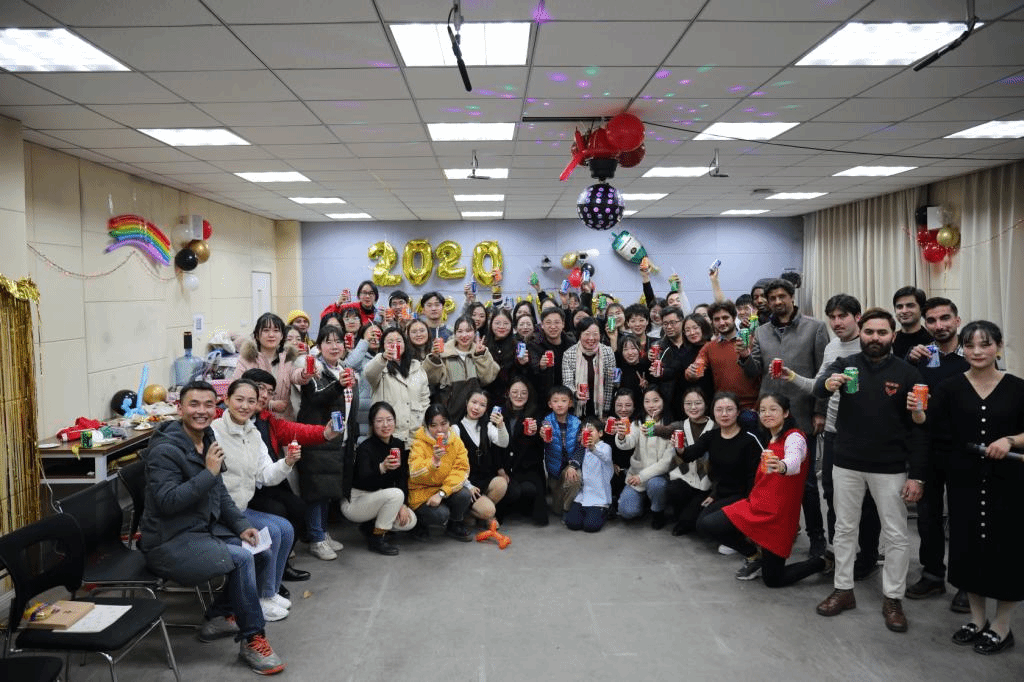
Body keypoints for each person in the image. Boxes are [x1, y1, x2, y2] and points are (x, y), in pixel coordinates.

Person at [139, 381, 285, 675]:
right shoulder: (165, 451)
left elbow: (219, 492)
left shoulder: (206, 438)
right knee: (242, 558)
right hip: (169, 541)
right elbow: (168, 502)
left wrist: (242, 526)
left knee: (260, 551)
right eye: (194, 404)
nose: (201, 411)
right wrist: (208, 472)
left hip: (201, 530)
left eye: (208, 404)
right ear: (180, 408)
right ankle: (252, 639)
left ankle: (219, 617)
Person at [813, 308, 927, 634]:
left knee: (896, 535)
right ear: (860, 333)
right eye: (869, 332)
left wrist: (917, 475)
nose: (875, 338)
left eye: (882, 332)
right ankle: (843, 589)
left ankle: (893, 598)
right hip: (847, 463)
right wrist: (829, 383)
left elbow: (920, 429)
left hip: (890, 467)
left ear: (893, 336)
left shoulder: (908, 373)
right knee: (844, 529)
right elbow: (820, 388)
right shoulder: (845, 364)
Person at [928, 321, 1024, 655]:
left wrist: (1010, 440)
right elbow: (935, 431)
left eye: (985, 344)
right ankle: (977, 619)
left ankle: (1002, 626)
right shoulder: (949, 388)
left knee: (1007, 552)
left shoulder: (1017, 387)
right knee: (967, 548)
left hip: (1009, 483)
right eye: (969, 345)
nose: (977, 351)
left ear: (999, 346)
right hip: (964, 480)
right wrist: (917, 414)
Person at [786, 294, 880, 580]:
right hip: (833, 432)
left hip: (864, 436)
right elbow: (819, 387)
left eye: (843, 316)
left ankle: (867, 555)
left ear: (857, 317)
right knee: (831, 493)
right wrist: (793, 377)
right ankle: (837, 550)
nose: (837, 322)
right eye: (833, 317)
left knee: (865, 500)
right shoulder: (831, 347)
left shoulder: (870, 347)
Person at [738, 277, 829, 557]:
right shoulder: (762, 331)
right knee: (771, 478)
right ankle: (776, 531)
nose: (777, 302)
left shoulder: (815, 328)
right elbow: (754, 371)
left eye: (782, 296)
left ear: (791, 297)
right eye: (772, 298)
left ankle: (816, 538)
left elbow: (823, 373)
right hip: (770, 416)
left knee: (807, 483)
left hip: (802, 412)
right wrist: (744, 356)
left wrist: (819, 411)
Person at [698, 393, 830, 585]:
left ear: (786, 413)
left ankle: (822, 562)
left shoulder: (795, 437)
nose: (767, 414)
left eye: (773, 409)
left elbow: (794, 461)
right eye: (762, 410)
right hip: (757, 505)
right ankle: (754, 555)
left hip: (779, 515)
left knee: (773, 580)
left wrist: (782, 466)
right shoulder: (770, 437)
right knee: (708, 524)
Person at [904, 298, 970, 609]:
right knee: (927, 516)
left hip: (964, 448)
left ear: (957, 321)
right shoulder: (921, 356)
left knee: (963, 517)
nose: (939, 325)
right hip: (927, 446)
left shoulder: (973, 355)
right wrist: (908, 358)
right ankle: (932, 575)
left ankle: (966, 582)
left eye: (945, 318)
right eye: (931, 320)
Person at [211, 379, 296, 623]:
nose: (245, 406)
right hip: (221, 512)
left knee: (285, 528)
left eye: (251, 401)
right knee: (272, 533)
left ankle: (270, 592)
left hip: (241, 508)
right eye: (239, 399)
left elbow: (265, 475)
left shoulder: (253, 433)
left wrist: (287, 462)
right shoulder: (215, 432)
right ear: (226, 400)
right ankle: (259, 598)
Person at [241, 368, 336, 585]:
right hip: (244, 490)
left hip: (269, 480)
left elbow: (296, 430)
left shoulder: (266, 420)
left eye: (270, 392)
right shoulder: (224, 420)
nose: (264, 395)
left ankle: (280, 566)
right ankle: (264, 574)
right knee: (279, 512)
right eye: (260, 388)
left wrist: (325, 433)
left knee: (299, 509)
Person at [294, 324, 360, 561]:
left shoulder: (345, 369)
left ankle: (322, 532)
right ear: (319, 346)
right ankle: (316, 539)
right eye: (328, 341)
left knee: (328, 489)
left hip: (338, 440)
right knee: (316, 491)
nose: (334, 346)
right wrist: (339, 384)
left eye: (338, 341)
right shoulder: (314, 370)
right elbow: (315, 398)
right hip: (317, 437)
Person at [680, 392, 762, 551]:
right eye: (719, 410)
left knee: (705, 524)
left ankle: (748, 548)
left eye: (729, 409)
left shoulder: (750, 438)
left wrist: (750, 504)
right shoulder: (712, 436)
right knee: (696, 523)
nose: (724, 414)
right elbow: (689, 455)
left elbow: (755, 475)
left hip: (743, 495)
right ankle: (735, 533)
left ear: (738, 412)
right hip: (721, 493)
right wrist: (680, 449)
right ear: (713, 412)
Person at [342, 402, 417, 555]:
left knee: (410, 521)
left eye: (389, 420)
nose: (385, 425)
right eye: (379, 421)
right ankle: (377, 538)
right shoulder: (365, 447)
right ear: (372, 424)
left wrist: (403, 505)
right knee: (396, 494)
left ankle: (370, 526)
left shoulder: (398, 445)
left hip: (380, 497)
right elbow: (363, 480)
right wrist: (381, 468)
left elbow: (402, 478)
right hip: (356, 501)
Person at [407, 404, 474, 541]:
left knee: (464, 494)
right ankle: (419, 523)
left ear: (449, 423)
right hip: (423, 492)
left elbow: (461, 470)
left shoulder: (456, 441)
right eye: (433, 425)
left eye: (444, 424)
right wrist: (433, 461)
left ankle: (454, 525)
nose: (439, 429)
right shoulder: (419, 442)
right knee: (441, 515)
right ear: (427, 426)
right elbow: (414, 473)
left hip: (443, 489)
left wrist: (442, 493)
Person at [687, 300, 760, 423]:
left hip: (750, 408)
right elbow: (695, 368)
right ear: (712, 322)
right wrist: (691, 372)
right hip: (724, 409)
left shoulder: (751, 340)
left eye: (725, 317)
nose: (721, 322)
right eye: (717, 319)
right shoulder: (709, 347)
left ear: (734, 318)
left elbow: (759, 373)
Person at [614, 386, 675, 528]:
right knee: (626, 511)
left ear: (663, 401)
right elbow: (628, 443)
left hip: (658, 477)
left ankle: (658, 511)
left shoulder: (670, 426)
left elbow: (666, 463)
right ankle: (645, 502)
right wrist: (622, 436)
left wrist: (641, 477)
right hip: (637, 477)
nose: (651, 405)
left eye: (656, 400)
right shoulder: (638, 422)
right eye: (647, 401)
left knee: (656, 484)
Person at [424, 315, 500, 422]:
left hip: (474, 414)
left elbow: (487, 379)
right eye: (460, 331)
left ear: (475, 333)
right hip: (449, 414)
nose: (464, 335)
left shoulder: (480, 351)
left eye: (468, 331)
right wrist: (435, 358)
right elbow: (432, 379)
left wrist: (480, 356)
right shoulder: (444, 353)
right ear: (455, 333)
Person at [362, 327, 430, 444]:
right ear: (383, 346)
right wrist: (383, 357)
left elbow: (425, 400)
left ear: (405, 344)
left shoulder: (417, 367)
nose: (395, 344)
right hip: (388, 436)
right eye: (390, 342)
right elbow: (369, 373)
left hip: (415, 436)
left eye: (399, 341)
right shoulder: (380, 367)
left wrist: (423, 424)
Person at [497, 377, 548, 525]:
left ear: (529, 395)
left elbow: (540, 447)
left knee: (529, 489)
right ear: (508, 393)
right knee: (511, 491)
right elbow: (493, 445)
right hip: (504, 466)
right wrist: (500, 469)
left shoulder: (536, 413)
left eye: (524, 393)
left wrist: (537, 432)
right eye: (515, 392)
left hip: (527, 467)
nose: (519, 396)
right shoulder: (499, 412)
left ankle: (525, 508)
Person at [232, 313, 300, 421]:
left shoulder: (287, 358)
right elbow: (236, 389)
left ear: (282, 336)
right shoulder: (246, 359)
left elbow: (296, 375)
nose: (271, 335)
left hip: (283, 421)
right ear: (257, 335)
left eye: (276, 331)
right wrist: (269, 404)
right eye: (266, 330)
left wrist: (305, 374)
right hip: (254, 420)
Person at [457, 390, 510, 527]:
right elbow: (452, 464)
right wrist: (467, 485)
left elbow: (503, 442)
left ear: (486, 409)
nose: (476, 408)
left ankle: (478, 513)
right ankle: (482, 514)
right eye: (474, 402)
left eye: (482, 405)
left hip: (485, 479)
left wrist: (501, 425)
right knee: (489, 510)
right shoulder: (456, 428)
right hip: (467, 482)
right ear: (466, 403)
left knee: (501, 483)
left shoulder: (487, 426)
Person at [665, 387, 713, 536]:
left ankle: (689, 516)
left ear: (706, 404)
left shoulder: (715, 427)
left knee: (693, 522)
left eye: (698, 403)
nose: (693, 407)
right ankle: (683, 515)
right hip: (685, 478)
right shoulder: (680, 426)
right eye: (688, 403)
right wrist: (650, 430)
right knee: (672, 490)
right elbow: (664, 430)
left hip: (706, 484)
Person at [565, 417, 615, 532]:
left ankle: (607, 511)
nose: (586, 433)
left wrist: (593, 448)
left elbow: (605, 457)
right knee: (572, 524)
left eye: (590, 431)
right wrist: (572, 467)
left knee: (590, 527)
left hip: (599, 497)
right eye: (583, 431)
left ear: (600, 433)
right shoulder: (583, 448)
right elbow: (575, 459)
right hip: (583, 495)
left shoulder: (605, 447)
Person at [561, 316, 616, 419]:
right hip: (578, 406)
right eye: (587, 334)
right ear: (579, 335)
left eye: (595, 334)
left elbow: (610, 384)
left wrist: (606, 410)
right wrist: (575, 393)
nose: (591, 338)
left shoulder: (608, 352)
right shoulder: (569, 354)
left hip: (601, 404)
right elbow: (567, 382)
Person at [542, 385, 585, 515]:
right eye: (555, 401)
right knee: (557, 510)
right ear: (550, 404)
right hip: (554, 470)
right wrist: (541, 436)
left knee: (575, 478)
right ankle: (564, 506)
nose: (559, 404)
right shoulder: (545, 422)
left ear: (570, 403)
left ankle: (568, 510)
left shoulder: (577, 423)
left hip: (569, 466)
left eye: (564, 400)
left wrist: (573, 465)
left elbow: (581, 447)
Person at [528, 307, 573, 400]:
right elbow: (530, 373)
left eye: (557, 322)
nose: (553, 327)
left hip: (568, 396)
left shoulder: (571, 344)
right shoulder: (534, 345)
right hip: (544, 397)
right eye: (548, 323)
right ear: (542, 325)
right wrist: (541, 367)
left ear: (563, 324)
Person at [604, 388, 637, 514]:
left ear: (634, 406)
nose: (623, 409)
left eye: (628, 405)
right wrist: (611, 463)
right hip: (615, 470)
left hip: (634, 470)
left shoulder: (639, 424)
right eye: (619, 405)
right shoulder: (610, 423)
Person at [486, 308, 523, 404]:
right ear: (491, 324)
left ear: (511, 325)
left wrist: (523, 363)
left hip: (510, 397)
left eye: (506, 323)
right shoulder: (484, 344)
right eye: (497, 323)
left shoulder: (517, 345)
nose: (501, 327)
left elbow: (521, 373)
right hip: (486, 395)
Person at [892, 286, 932, 359]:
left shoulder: (931, 341)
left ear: (921, 309)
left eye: (910, 306)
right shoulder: (890, 340)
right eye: (899, 307)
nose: (904, 311)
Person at [616, 333, 651, 399]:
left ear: (639, 349)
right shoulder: (618, 368)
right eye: (625, 349)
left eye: (633, 348)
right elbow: (615, 389)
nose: (630, 353)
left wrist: (646, 387)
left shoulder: (646, 366)